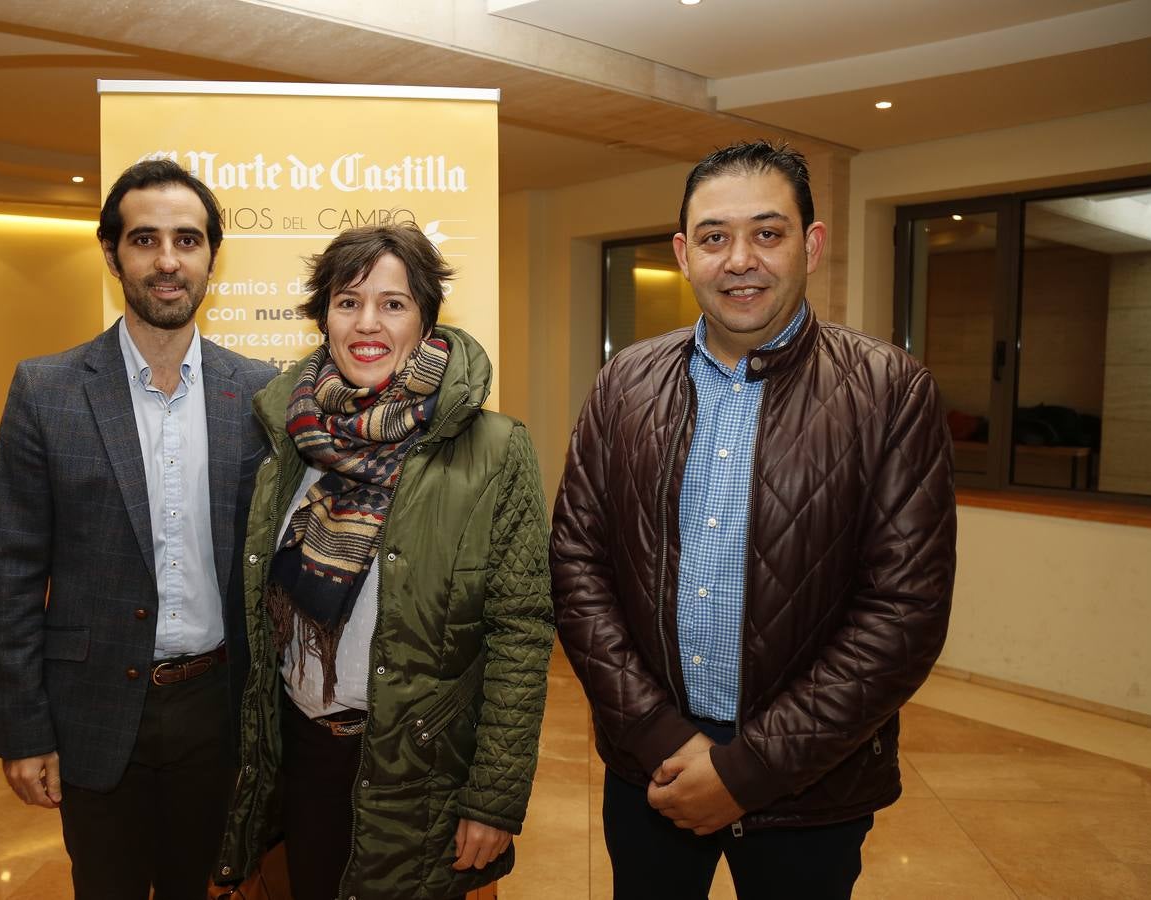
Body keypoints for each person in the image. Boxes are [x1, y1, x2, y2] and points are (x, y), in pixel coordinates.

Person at [550, 140, 956, 899]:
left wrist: (747, 770)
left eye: (766, 233)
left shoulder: (889, 391)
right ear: (682, 253)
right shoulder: (622, 383)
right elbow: (576, 567)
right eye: (713, 237)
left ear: (811, 244)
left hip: (811, 780)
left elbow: (904, 613)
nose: (739, 259)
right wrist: (659, 737)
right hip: (653, 768)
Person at [213, 223, 553, 900]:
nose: (368, 323)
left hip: (422, 768)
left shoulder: (493, 448)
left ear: (425, 320)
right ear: (323, 316)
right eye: (348, 301)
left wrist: (493, 798)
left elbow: (521, 632)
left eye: (393, 304)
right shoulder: (287, 437)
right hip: (304, 751)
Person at [0, 158, 277, 899]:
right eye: (145, 240)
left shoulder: (260, 392)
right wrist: (24, 730)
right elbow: (12, 574)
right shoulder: (45, 391)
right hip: (93, 709)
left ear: (213, 254)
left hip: (216, 707)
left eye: (188, 239)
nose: (168, 260)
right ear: (111, 252)